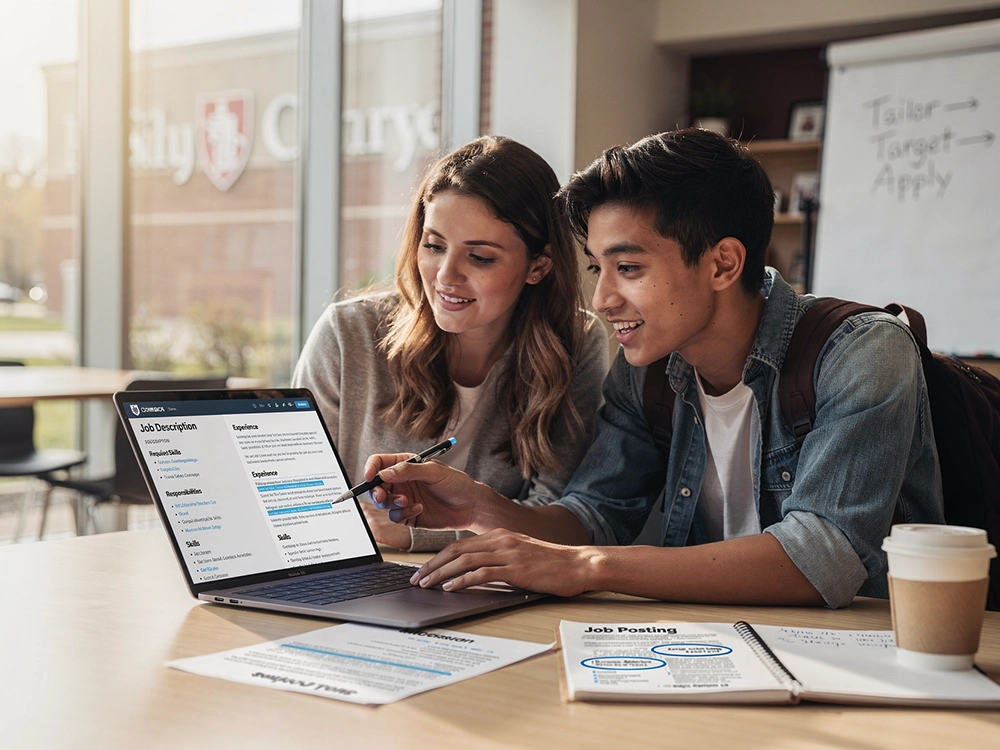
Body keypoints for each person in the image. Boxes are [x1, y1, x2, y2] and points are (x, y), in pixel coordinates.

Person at [364, 128, 945, 608]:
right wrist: (482, 509)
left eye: (630, 268)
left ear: (723, 263)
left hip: (868, 656)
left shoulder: (863, 353)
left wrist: (587, 566)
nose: (602, 300)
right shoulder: (649, 370)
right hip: (712, 647)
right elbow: (595, 514)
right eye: (597, 268)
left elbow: (824, 558)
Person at [292, 135, 608, 552]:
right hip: (362, 575)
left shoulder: (575, 343)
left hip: (489, 586)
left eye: (480, 257)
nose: (445, 276)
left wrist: (413, 535)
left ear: (538, 266)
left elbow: (556, 513)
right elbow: (295, 500)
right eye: (434, 246)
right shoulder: (347, 335)